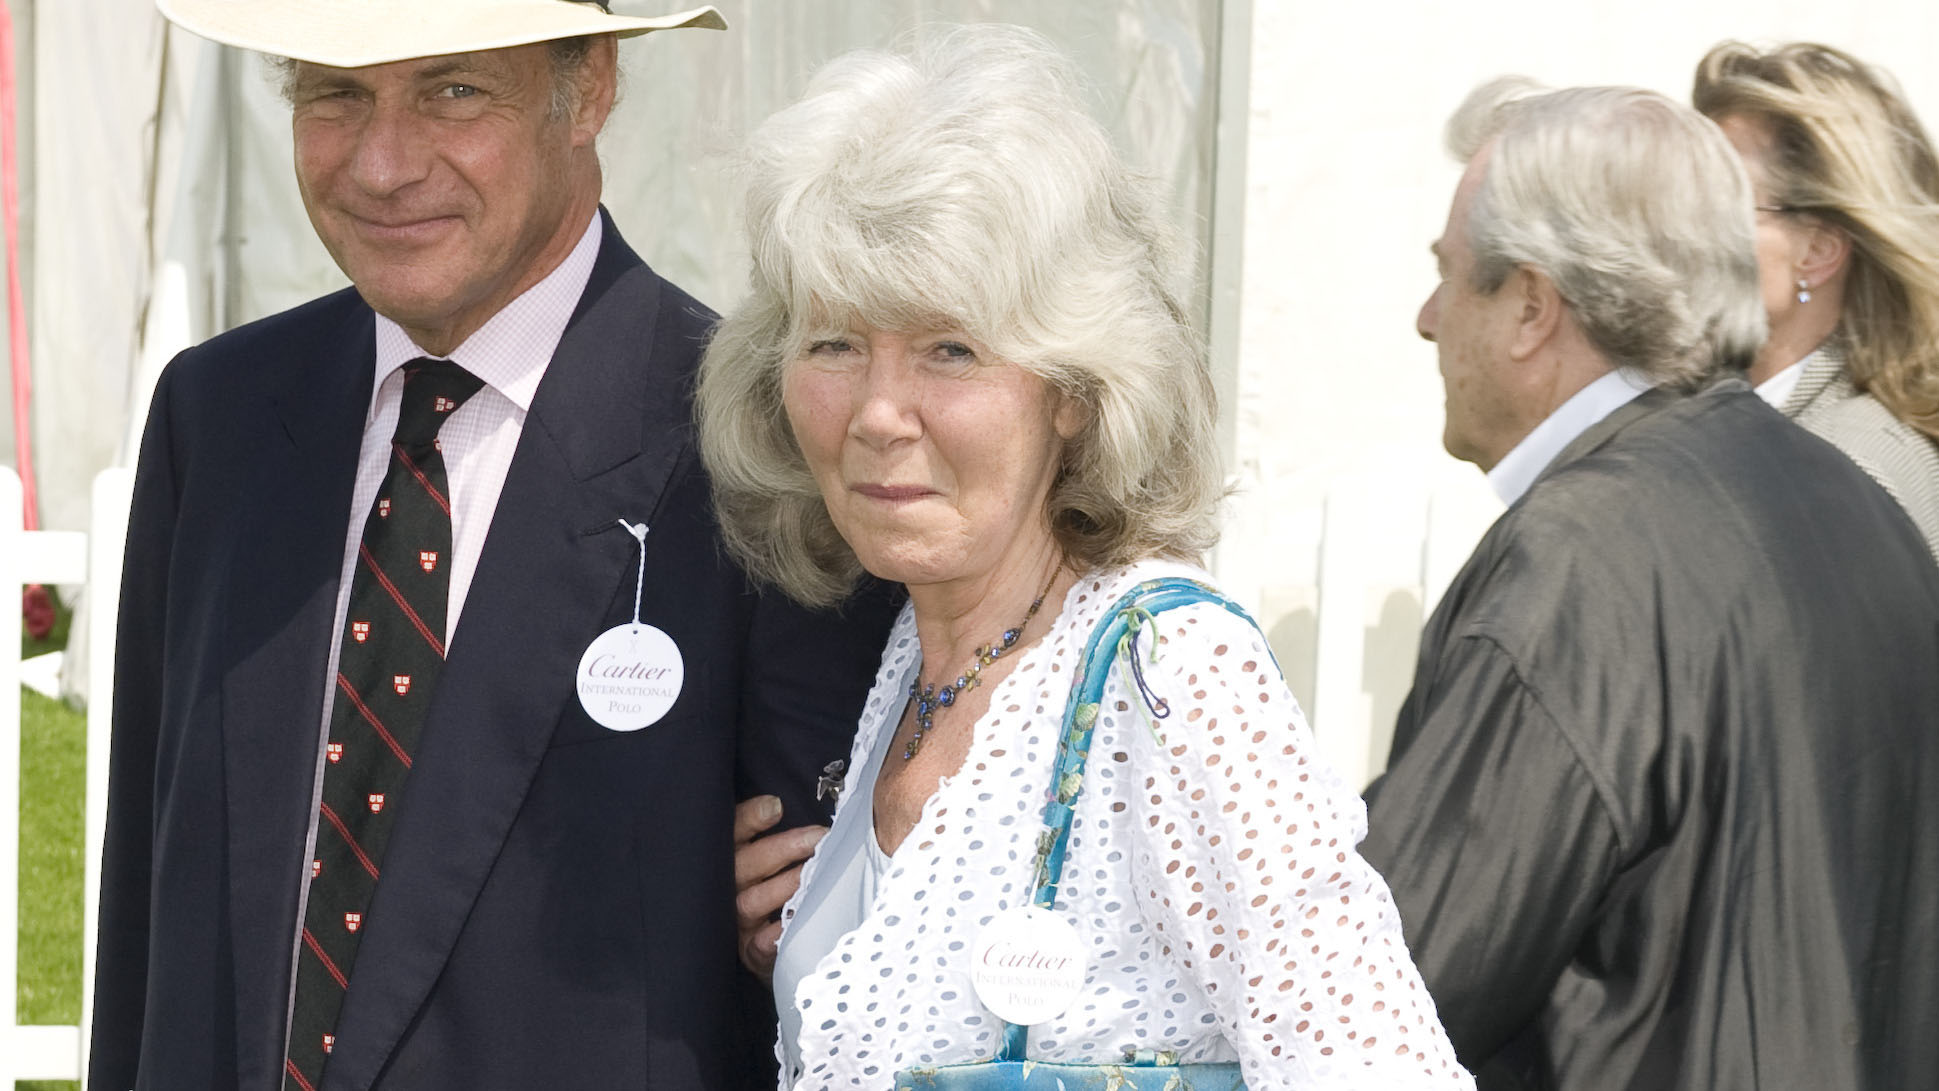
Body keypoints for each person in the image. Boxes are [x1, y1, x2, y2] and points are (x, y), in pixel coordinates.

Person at [93, 3, 898, 1090]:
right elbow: (152, 898)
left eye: (453, 90)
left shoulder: (758, 449)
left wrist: (795, 917)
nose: (381, 165)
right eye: (335, 93)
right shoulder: (220, 414)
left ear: (590, 87)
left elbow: (829, 939)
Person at [702, 25, 1472, 1090]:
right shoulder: (915, 655)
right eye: (834, 343)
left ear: (1073, 390)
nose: (878, 412)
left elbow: (1381, 1068)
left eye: (949, 349)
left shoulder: (1170, 671)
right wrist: (816, 947)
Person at [1359, 77, 1939, 1090]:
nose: (1425, 318)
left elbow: (1383, 987)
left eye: (1447, 275)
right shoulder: (1860, 508)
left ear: (1530, 306)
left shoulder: (1582, 558)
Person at [1694, 41, 1939, 562]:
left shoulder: (1845, 469)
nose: (1674, 227)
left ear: (1817, 252)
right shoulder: (1729, 415)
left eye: (1715, 202)